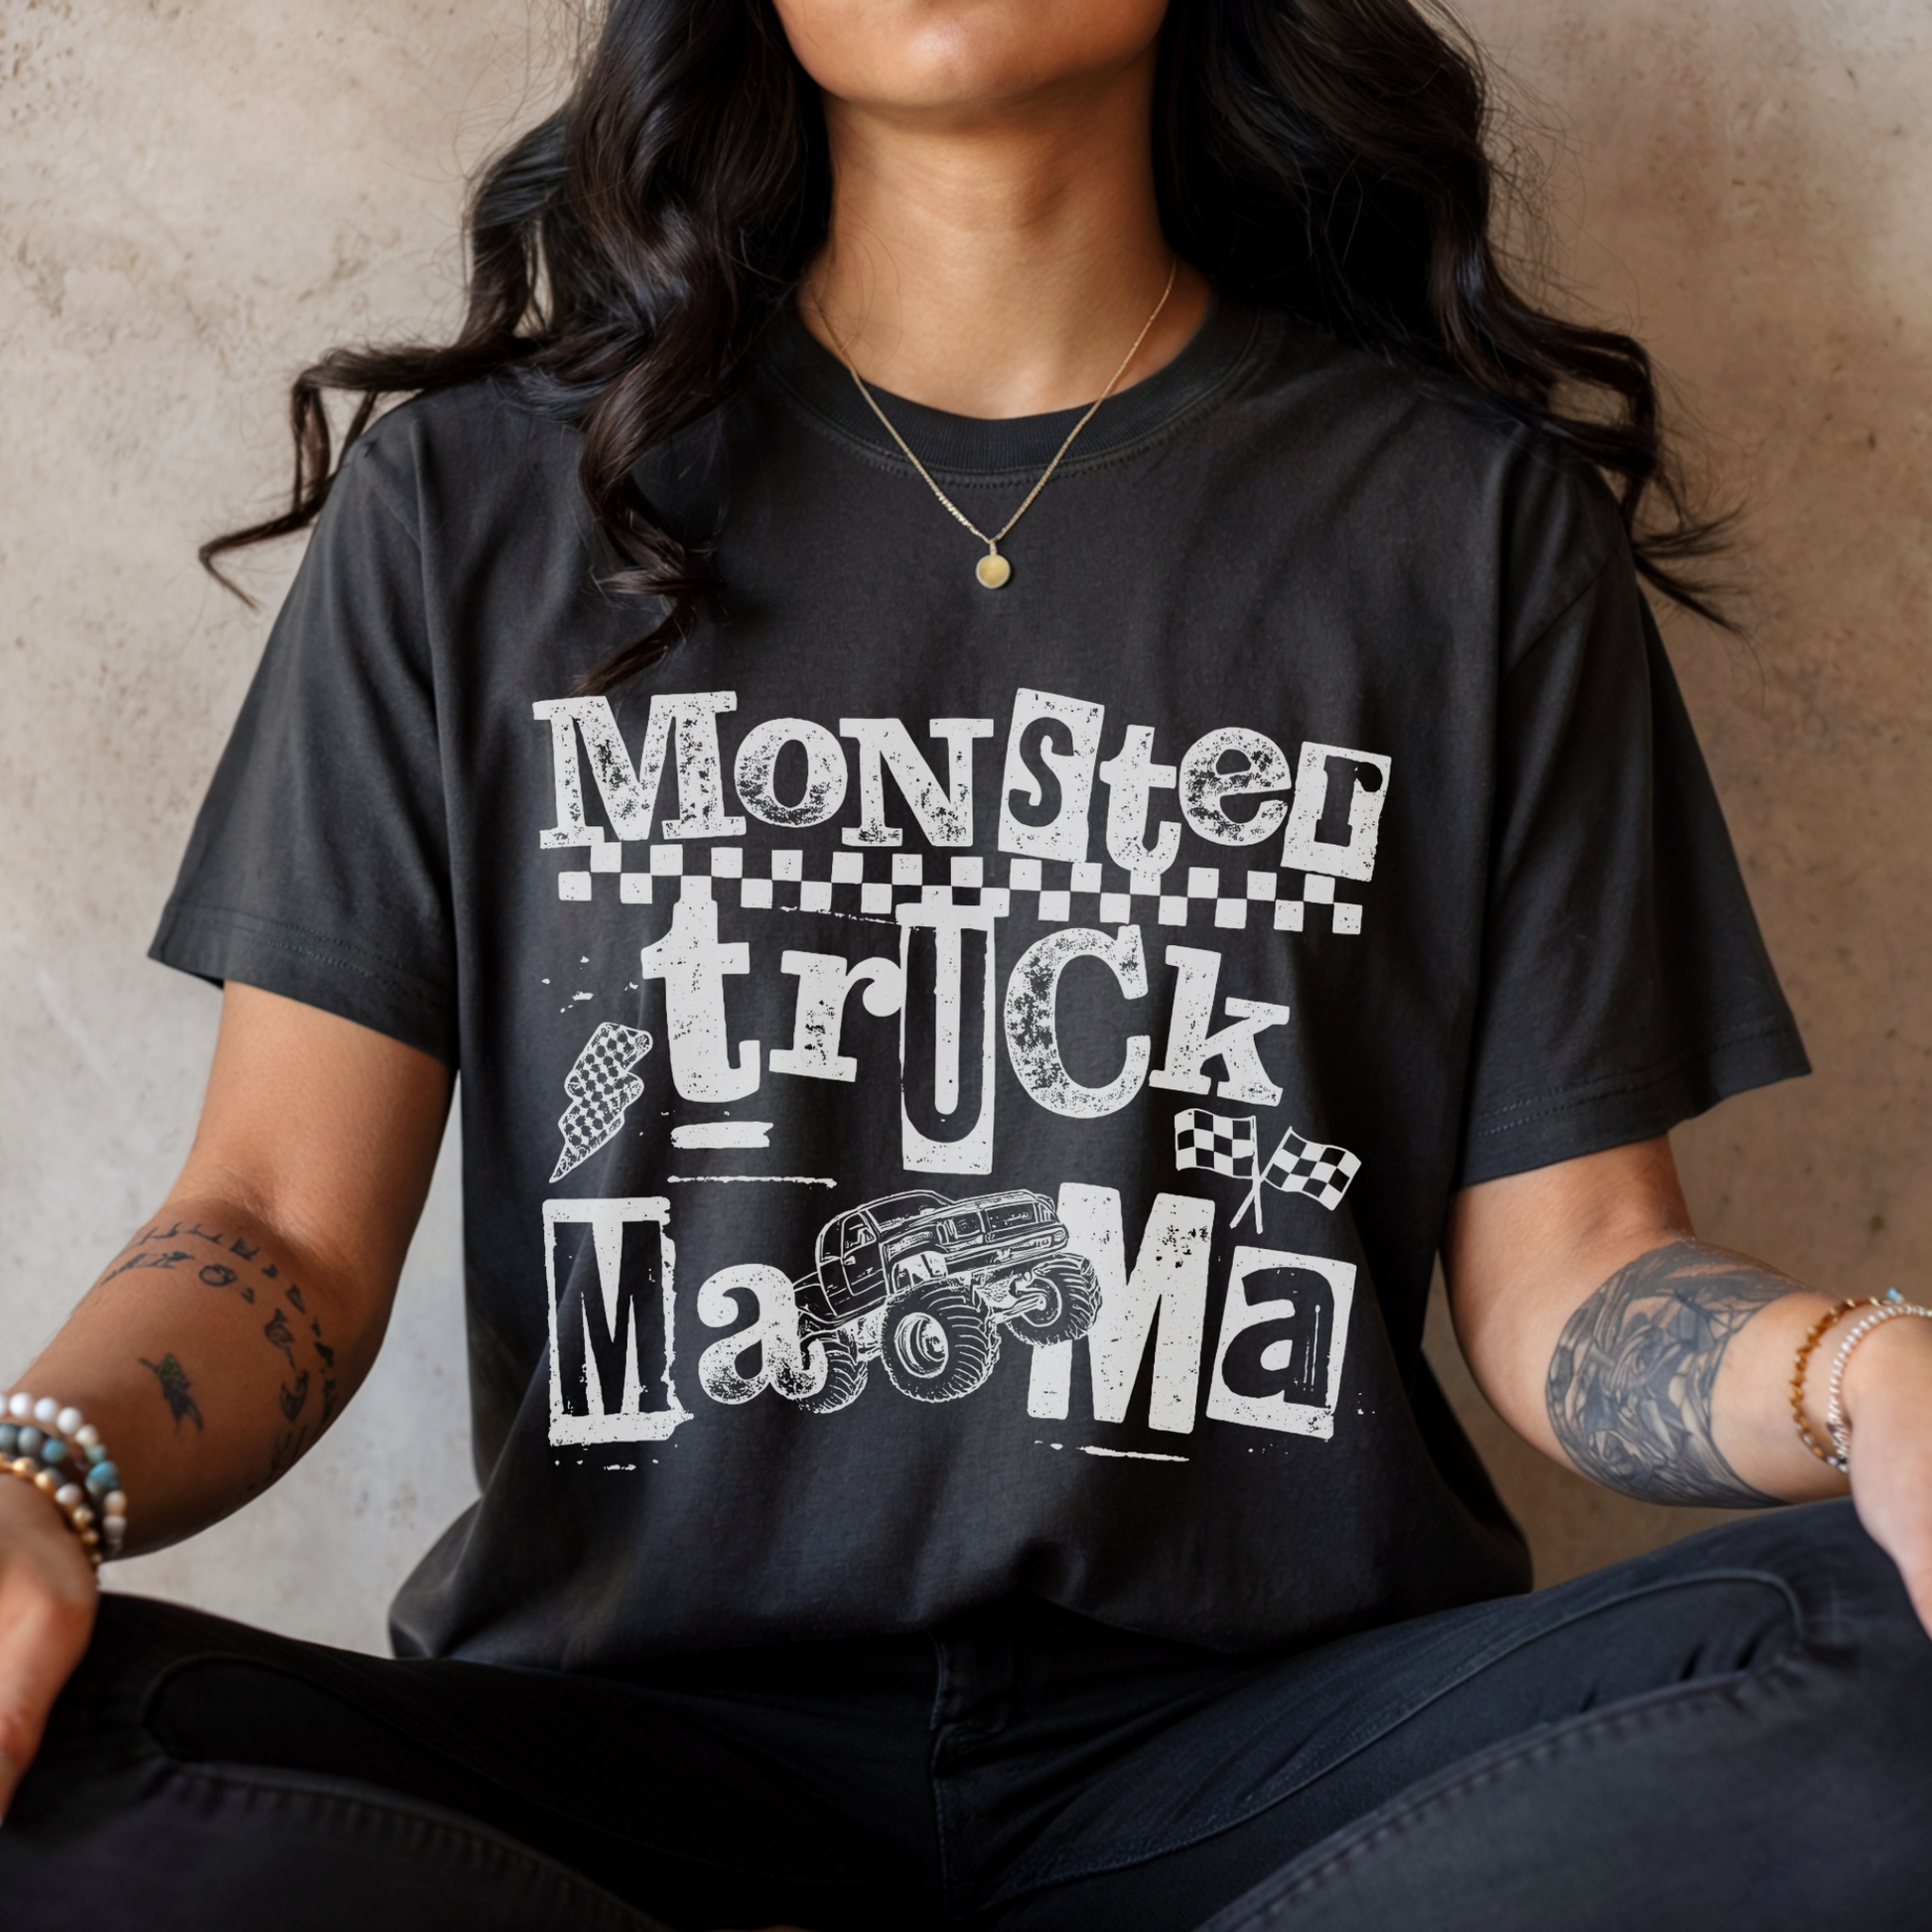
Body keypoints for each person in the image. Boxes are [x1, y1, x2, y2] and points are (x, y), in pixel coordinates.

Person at [1, 0, 1927, 1925]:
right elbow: (278, 1224)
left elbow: (1574, 1271)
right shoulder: (470, 508)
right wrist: (32, 1474)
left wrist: (1867, 1371)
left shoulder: (1459, 519)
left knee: (1871, 1651)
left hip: (1275, 1769)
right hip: (629, 1763)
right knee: (70, 1762)